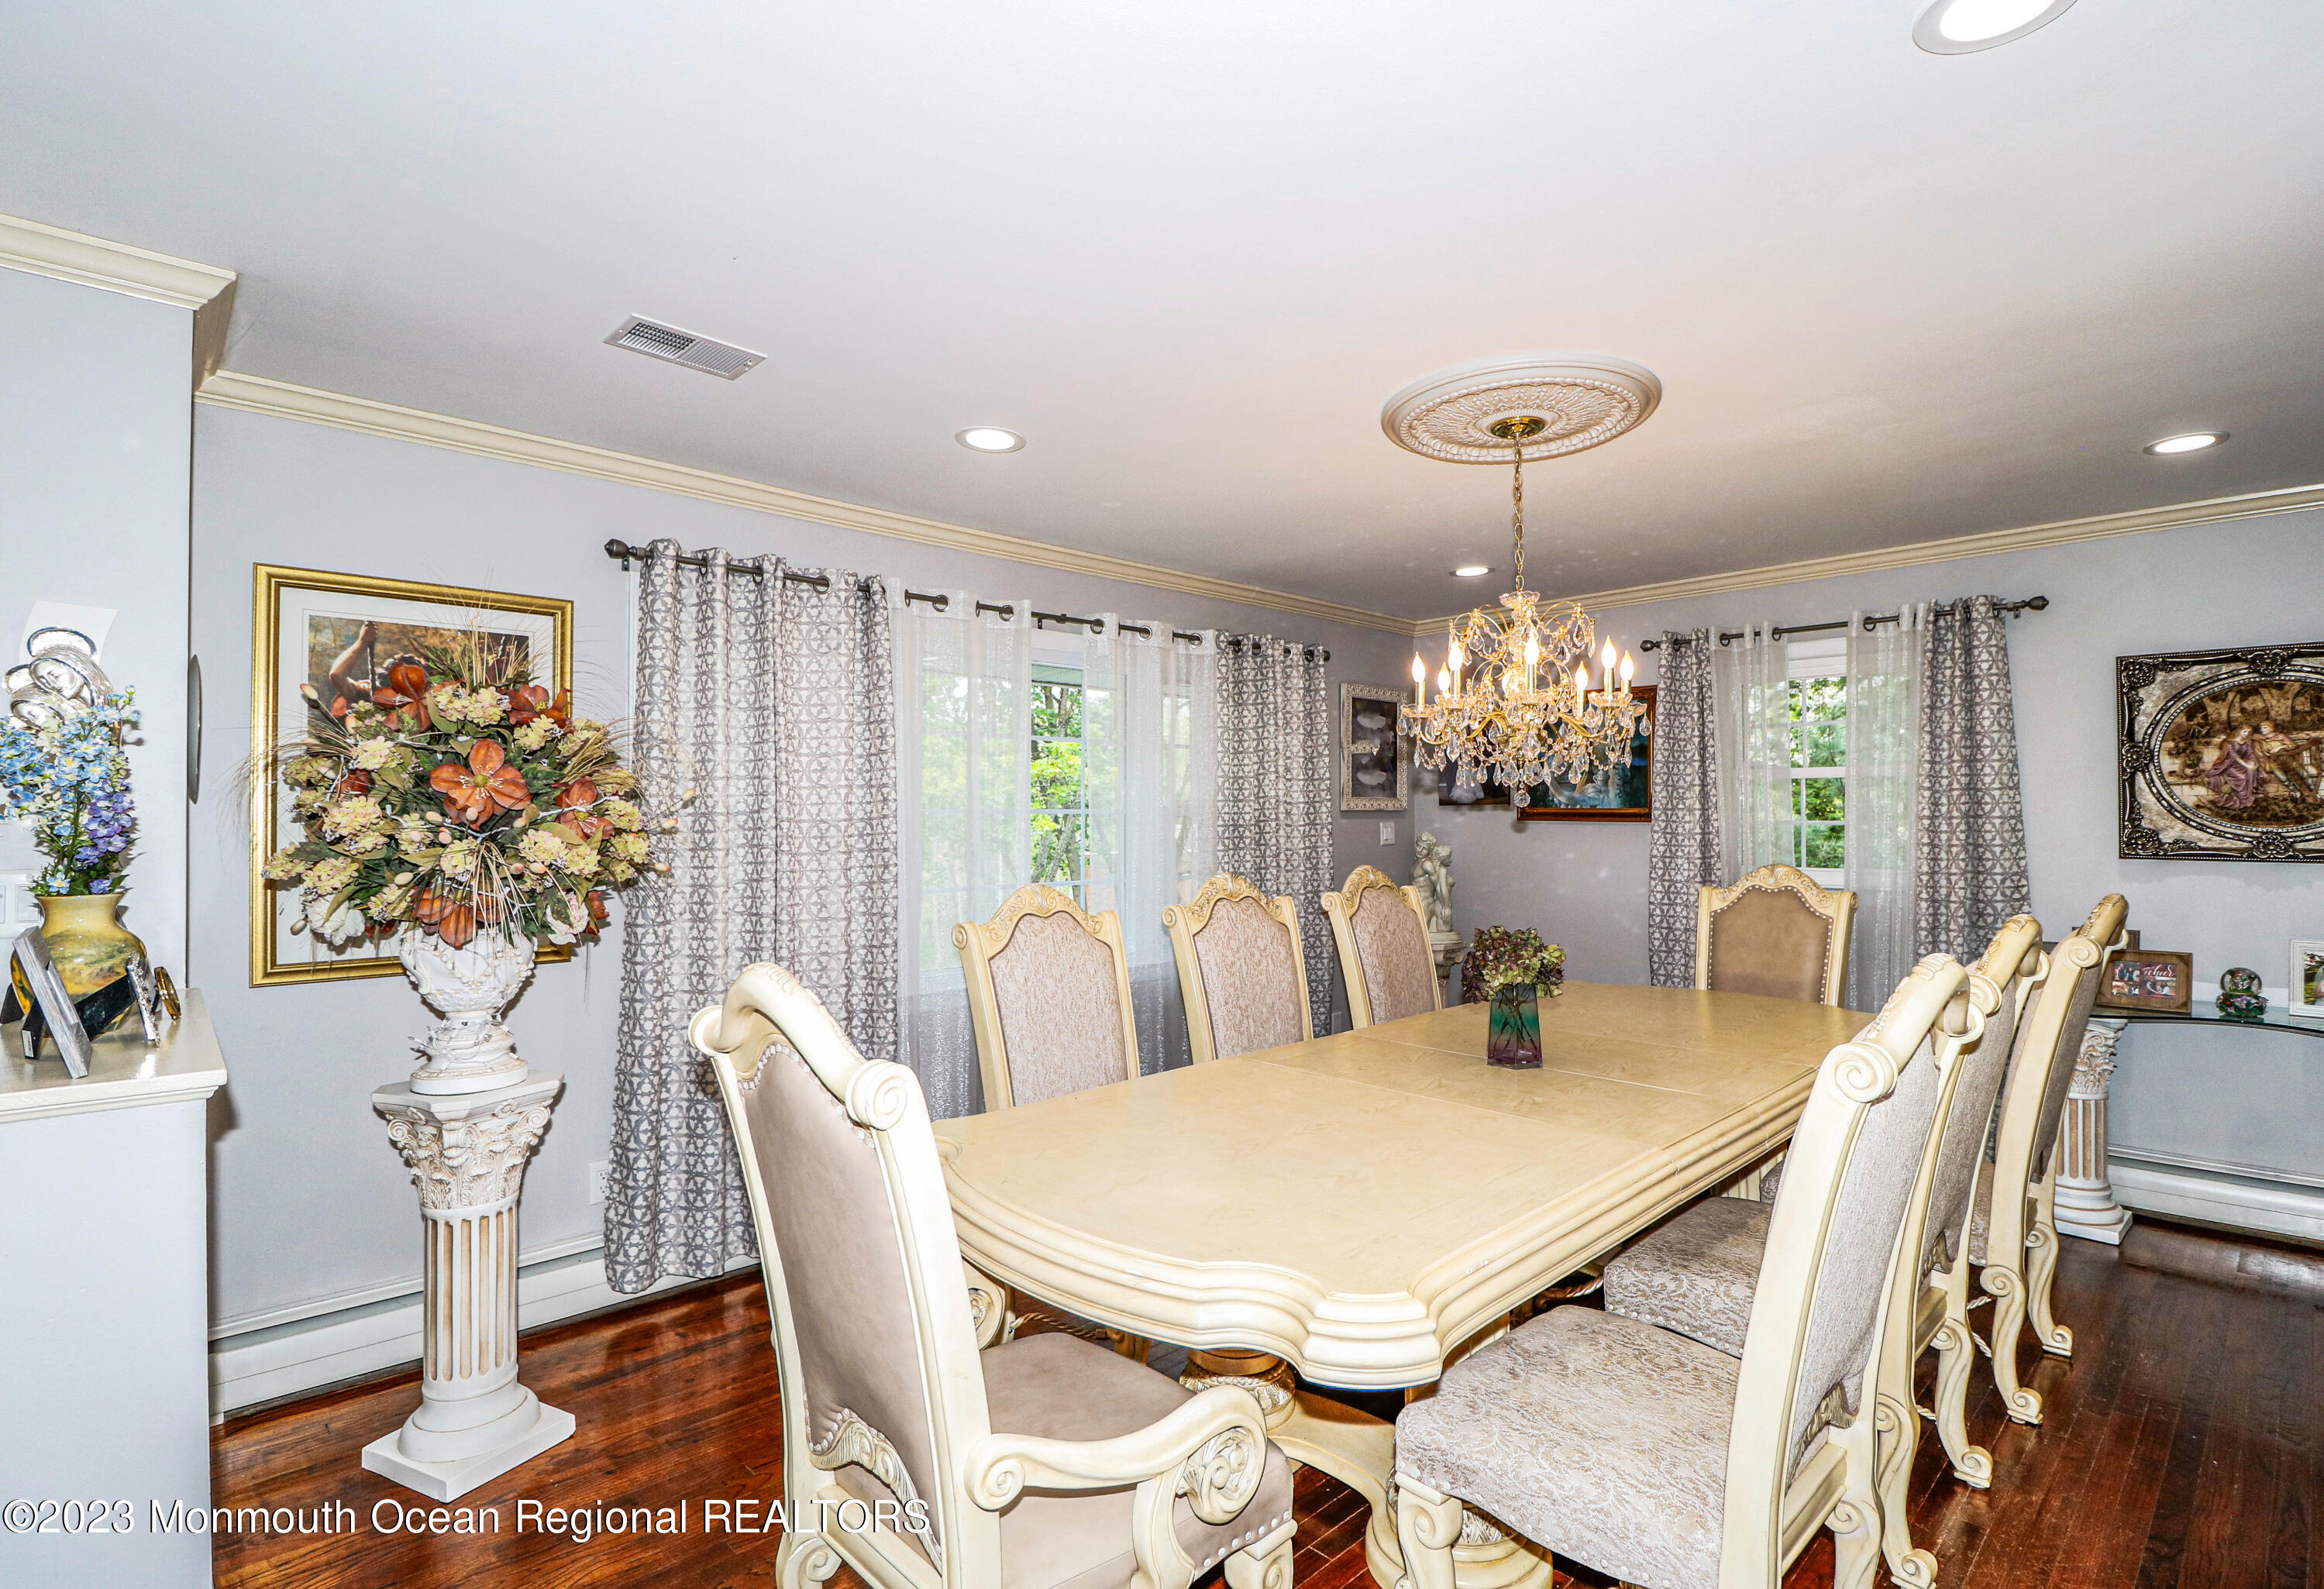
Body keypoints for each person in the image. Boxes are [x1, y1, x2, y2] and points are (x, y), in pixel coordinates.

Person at [2202, 725, 2263, 810]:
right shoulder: (2230, 743)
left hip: (2243, 763)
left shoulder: (2248, 742)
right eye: (2244, 731)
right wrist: (2247, 765)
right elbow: (2235, 756)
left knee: (2251, 769)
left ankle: (2249, 799)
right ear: (2239, 731)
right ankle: (2242, 800)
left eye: (2249, 732)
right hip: (2230, 765)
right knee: (2242, 777)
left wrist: (2254, 763)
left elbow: (2251, 754)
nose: (2247, 734)